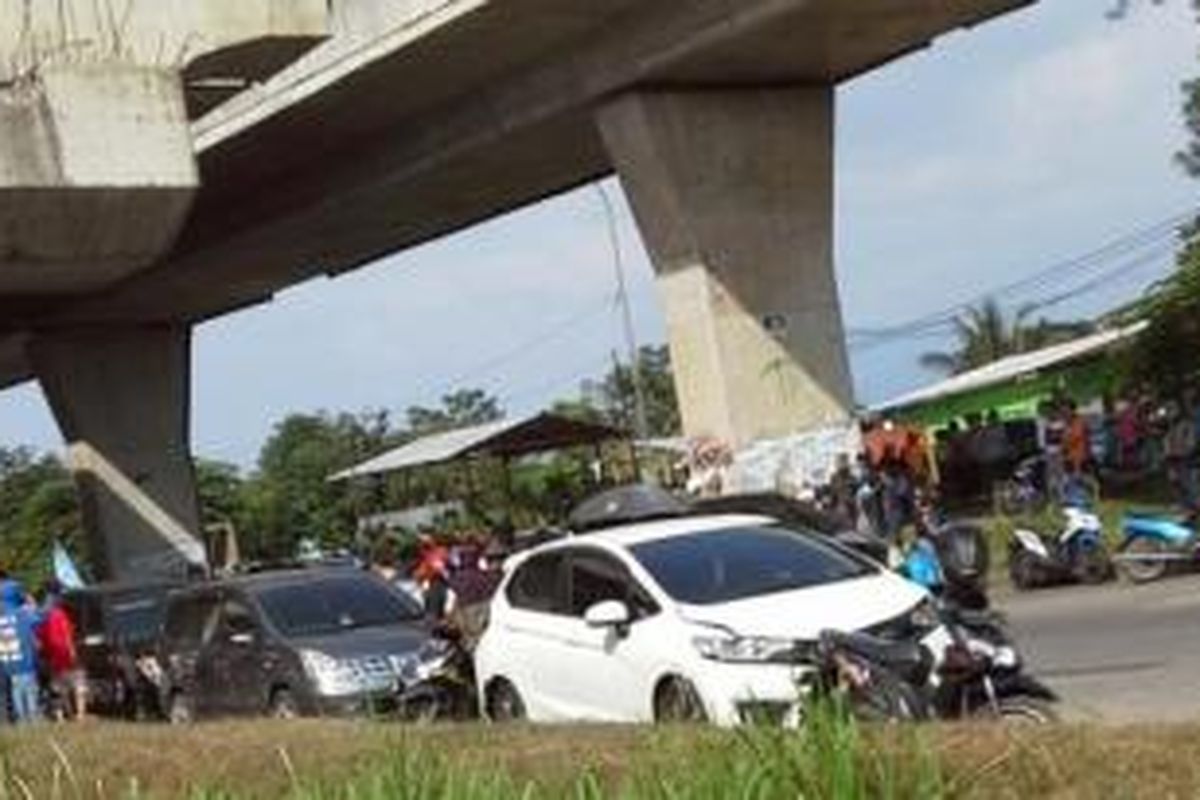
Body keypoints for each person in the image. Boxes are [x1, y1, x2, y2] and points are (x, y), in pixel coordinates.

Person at [37, 580, 86, 721]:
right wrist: (73, 654)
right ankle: (80, 715)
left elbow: (41, 639)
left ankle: (62, 717)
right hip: (64, 655)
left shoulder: (43, 614)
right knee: (78, 686)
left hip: (53, 658)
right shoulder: (60, 614)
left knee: (58, 689)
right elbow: (67, 636)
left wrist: (45, 655)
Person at [0, 580, 42, 724]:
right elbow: (39, 619)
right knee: (30, 691)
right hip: (25, 661)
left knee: (16, 691)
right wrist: (32, 603)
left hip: (9, 663)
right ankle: (34, 720)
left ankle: (22, 720)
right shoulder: (22, 613)